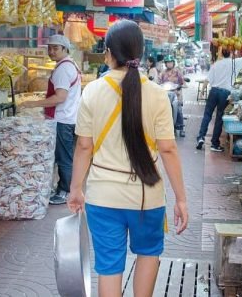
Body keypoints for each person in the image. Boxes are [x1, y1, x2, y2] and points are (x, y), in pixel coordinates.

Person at [67, 20, 188, 297]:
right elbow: (168, 149)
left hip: (102, 196)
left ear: (108, 53)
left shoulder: (93, 91)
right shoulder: (158, 95)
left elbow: (84, 147)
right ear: (140, 53)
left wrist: (75, 189)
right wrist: (181, 199)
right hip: (147, 197)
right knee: (148, 254)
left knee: (108, 267)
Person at [17, 34, 81, 205]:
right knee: (63, 155)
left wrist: (33, 104)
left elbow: (60, 97)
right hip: (66, 117)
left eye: (55, 48)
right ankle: (62, 188)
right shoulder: (69, 65)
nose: (51, 51)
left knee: (63, 157)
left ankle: (65, 191)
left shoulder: (63, 69)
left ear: (65, 49)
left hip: (62, 119)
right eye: (49, 48)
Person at [196, 49, 242, 152]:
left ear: (221, 54)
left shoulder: (216, 64)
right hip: (225, 93)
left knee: (207, 115)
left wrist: (202, 91)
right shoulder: (234, 62)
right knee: (219, 118)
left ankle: (201, 137)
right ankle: (214, 143)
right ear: (231, 52)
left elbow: (207, 80)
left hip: (213, 91)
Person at [159, 56, 186, 136]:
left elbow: (182, 81)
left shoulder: (177, 71)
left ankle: (181, 128)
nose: (169, 64)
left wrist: (181, 86)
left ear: (173, 63)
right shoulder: (163, 72)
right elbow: (159, 81)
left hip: (176, 94)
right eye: (168, 62)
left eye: (171, 62)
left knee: (179, 110)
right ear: (166, 64)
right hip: (165, 94)